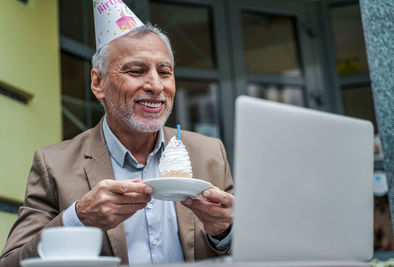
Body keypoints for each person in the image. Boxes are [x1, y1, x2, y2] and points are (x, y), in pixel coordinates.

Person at [0, 23, 234, 266]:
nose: (156, 86)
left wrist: (225, 233)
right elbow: (10, 263)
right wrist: (80, 218)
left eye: (165, 72)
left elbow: (251, 253)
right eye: (136, 71)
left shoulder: (210, 154)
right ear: (98, 82)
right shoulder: (54, 166)